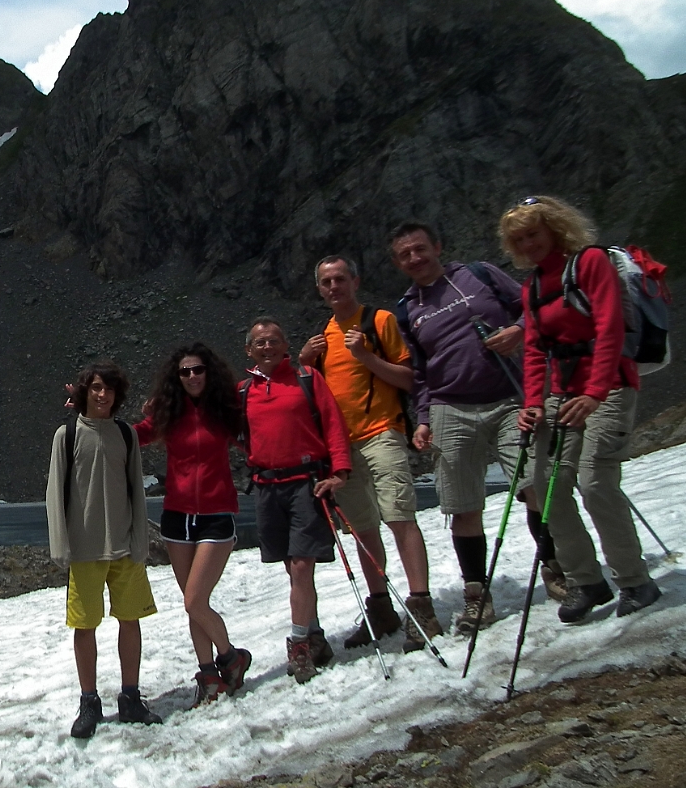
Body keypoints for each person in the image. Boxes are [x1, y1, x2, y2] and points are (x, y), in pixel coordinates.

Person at [390, 222, 562, 634]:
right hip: (451, 407)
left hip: (509, 397)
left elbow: (531, 306)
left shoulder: (479, 274)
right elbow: (420, 373)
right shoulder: (406, 309)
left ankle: (556, 567)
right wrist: (425, 418)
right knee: (463, 507)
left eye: (420, 249)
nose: (415, 258)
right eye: (405, 255)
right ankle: (475, 594)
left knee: (535, 482)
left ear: (437, 246)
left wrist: (519, 331)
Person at [499, 196, 660, 622]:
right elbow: (534, 351)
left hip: (607, 387)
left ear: (554, 227)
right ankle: (585, 580)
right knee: (546, 483)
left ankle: (634, 580)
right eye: (519, 239)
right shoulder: (533, 285)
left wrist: (595, 392)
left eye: (533, 233)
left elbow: (609, 328)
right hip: (563, 394)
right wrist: (532, 404)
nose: (528, 244)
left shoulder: (589, 263)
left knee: (595, 482)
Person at [299, 255, 443, 653]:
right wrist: (303, 365)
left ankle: (421, 605)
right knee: (363, 528)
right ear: (319, 289)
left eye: (340, 279)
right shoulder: (323, 338)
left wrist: (365, 357)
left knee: (399, 516)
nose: (334, 287)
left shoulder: (379, 322)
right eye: (326, 282)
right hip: (342, 447)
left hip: (382, 432)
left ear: (355, 281)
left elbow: (409, 379)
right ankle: (381, 608)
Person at [46, 361, 161, 739]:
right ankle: (89, 702)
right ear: (84, 392)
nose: (102, 394)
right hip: (84, 549)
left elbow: (136, 492)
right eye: (96, 387)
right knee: (85, 625)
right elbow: (54, 494)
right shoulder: (67, 434)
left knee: (131, 620)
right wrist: (60, 543)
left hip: (125, 546)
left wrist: (141, 540)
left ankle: (130, 697)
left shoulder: (125, 435)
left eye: (109, 388)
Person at [133, 343, 250, 706]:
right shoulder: (169, 413)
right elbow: (134, 436)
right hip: (177, 517)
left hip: (217, 514)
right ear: (176, 378)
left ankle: (232, 657)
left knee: (195, 599)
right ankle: (210, 676)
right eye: (185, 372)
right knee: (191, 602)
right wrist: (89, 418)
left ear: (208, 372)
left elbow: (256, 442)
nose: (192, 376)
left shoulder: (225, 410)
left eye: (198, 370)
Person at [241, 317, 351, 683]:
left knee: (302, 565)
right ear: (249, 351)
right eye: (260, 343)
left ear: (286, 345)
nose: (267, 348)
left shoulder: (307, 378)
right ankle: (315, 634)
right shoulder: (244, 391)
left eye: (274, 341)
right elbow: (240, 435)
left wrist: (339, 472)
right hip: (268, 487)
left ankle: (299, 645)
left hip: (306, 483)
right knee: (293, 567)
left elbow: (333, 424)